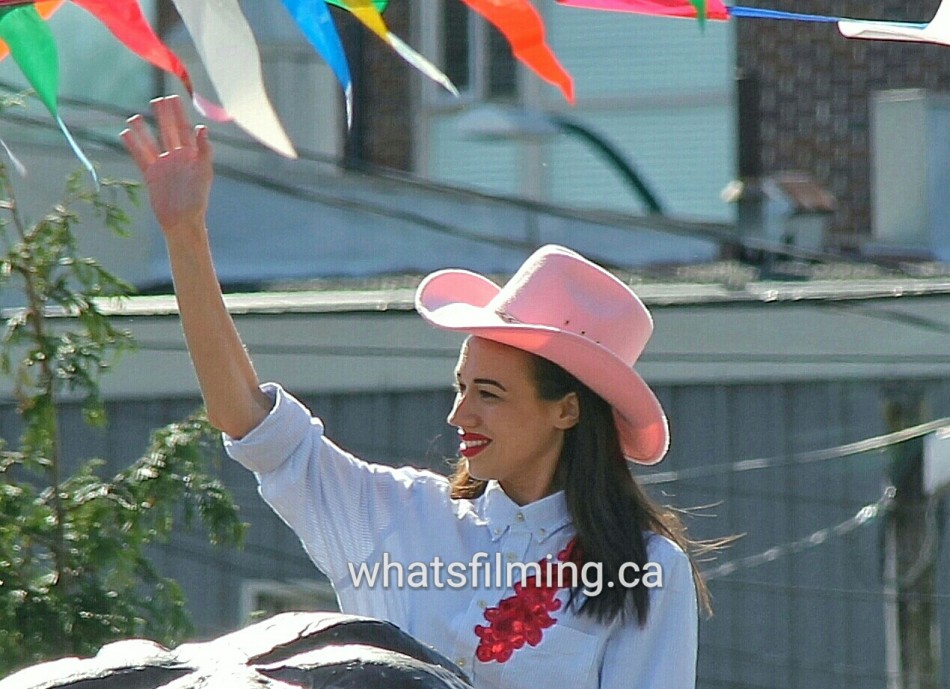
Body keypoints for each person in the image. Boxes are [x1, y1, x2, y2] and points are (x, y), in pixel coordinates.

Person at [121, 95, 712, 689]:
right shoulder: (399, 516)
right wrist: (186, 235)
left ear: (566, 410)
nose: (460, 412)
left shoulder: (648, 568)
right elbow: (247, 419)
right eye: (461, 386)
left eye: (489, 393)